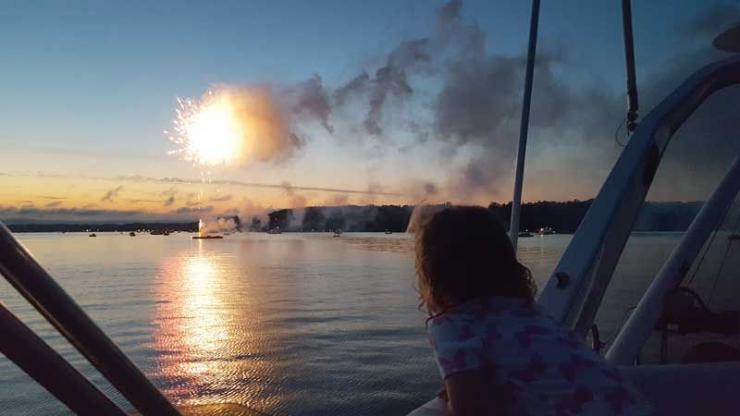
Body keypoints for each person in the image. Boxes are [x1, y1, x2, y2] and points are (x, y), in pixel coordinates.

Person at [413, 205, 653, 415]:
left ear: (435, 272)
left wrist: (460, 393)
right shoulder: (527, 313)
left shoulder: (455, 326)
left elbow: (472, 411)